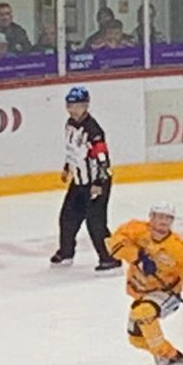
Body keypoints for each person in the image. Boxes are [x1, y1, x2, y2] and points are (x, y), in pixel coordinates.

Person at [107, 202, 183, 365]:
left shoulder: (179, 248)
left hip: (167, 293)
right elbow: (113, 243)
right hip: (141, 292)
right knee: (136, 339)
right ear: (151, 217)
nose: (164, 221)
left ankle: (160, 355)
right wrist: (138, 257)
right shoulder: (136, 230)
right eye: (160, 216)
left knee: (143, 313)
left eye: (168, 218)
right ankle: (173, 355)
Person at [53, 87, 118, 271]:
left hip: (97, 182)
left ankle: (110, 258)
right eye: (70, 106)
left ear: (86, 106)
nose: (73, 110)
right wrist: (67, 168)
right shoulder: (69, 124)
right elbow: (72, 151)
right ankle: (66, 252)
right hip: (79, 181)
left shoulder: (93, 131)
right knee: (67, 217)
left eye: (77, 106)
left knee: (95, 223)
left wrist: (98, 183)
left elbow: (103, 159)